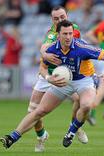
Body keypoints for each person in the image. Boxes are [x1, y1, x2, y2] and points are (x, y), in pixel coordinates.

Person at [0, 20, 104, 149]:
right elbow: (42, 68)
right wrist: (49, 78)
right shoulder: (51, 49)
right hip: (62, 82)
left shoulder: (81, 47)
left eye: (70, 33)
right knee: (40, 111)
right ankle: (12, 137)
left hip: (83, 80)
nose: (68, 37)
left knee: (87, 105)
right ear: (58, 35)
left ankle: (72, 131)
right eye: (65, 34)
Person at [22, 6, 87, 152]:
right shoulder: (52, 33)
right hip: (48, 75)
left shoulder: (74, 29)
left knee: (79, 99)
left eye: (62, 17)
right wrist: (44, 54)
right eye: (56, 18)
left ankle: (75, 127)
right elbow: (44, 47)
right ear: (52, 20)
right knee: (32, 111)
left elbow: (80, 48)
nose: (59, 20)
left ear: (67, 15)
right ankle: (41, 136)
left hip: (67, 74)